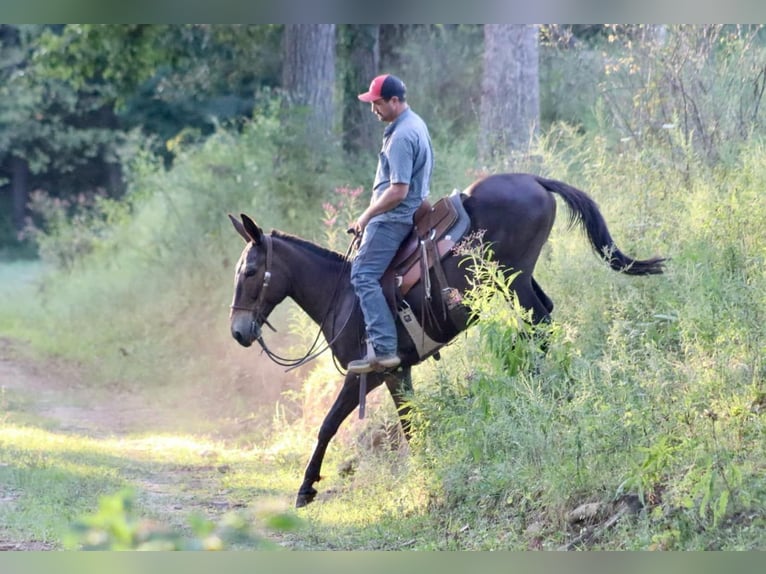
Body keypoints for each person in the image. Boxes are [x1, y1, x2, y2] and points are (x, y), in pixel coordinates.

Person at [347, 74, 434, 374]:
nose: (374, 109)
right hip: (408, 212)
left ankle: (384, 350)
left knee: (362, 275)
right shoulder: (415, 123)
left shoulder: (400, 137)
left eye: (378, 103)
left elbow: (398, 190)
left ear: (395, 101)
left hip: (393, 219)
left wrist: (366, 215)